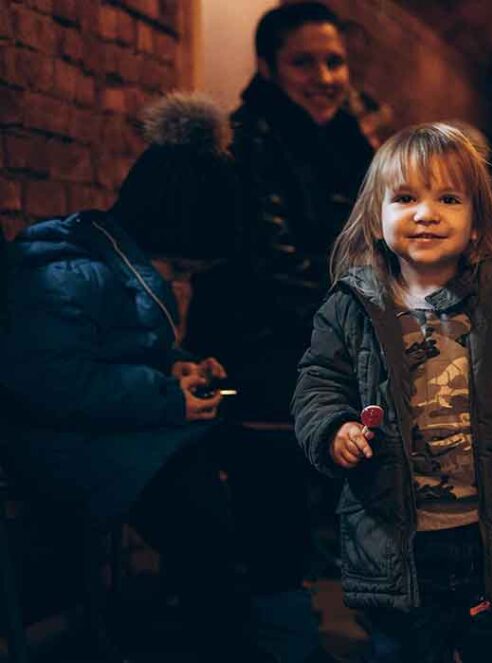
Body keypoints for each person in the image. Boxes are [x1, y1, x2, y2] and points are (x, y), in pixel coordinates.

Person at [0, 94, 308, 661]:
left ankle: (276, 626)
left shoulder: (116, 261)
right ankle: (229, 641)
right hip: (64, 444)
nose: (180, 282)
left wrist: (179, 366)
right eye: (179, 269)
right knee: (204, 524)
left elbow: (125, 351)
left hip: (120, 427)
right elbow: (51, 386)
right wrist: (169, 397)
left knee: (264, 456)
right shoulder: (68, 274)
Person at [291, 123, 492, 662]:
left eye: (448, 198)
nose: (426, 213)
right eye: (406, 198)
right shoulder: (350, 307)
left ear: (476, 222)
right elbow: (318, 384)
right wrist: (335, 429)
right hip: (396, 541)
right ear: (376, 218)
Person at [188, 1, 374, 422]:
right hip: (261, 362)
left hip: (324, 354)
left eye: (334, 62)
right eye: (303, 63)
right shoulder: (246, 144)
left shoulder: (347, 143)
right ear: (267, 66)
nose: (324, 78)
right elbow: (275, 269)